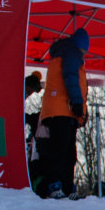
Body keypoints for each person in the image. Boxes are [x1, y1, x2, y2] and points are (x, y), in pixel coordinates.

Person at [35, 28, 90, 198]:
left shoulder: (62, 54)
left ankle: (63, 186)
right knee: (64, 152)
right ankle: (58, 185)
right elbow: (71, 77)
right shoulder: (71, 54)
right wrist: (77, 102)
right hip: (63, 110)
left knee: (64, 151)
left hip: (56, 110)